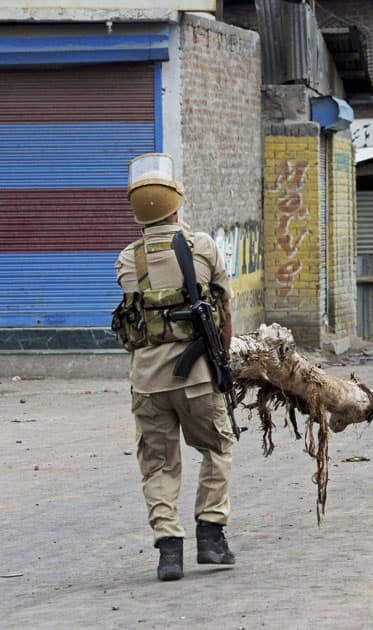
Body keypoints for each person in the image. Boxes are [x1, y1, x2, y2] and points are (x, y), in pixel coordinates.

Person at [113, 153, 236, 580]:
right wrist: (224, 365)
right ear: (177, 205)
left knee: (158, 464)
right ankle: (212, 537)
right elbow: (224, 308)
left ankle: (169, 550)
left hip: (147, 381)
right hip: (199, 376)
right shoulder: (201, 246)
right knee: (217, 448)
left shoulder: (127, 260)